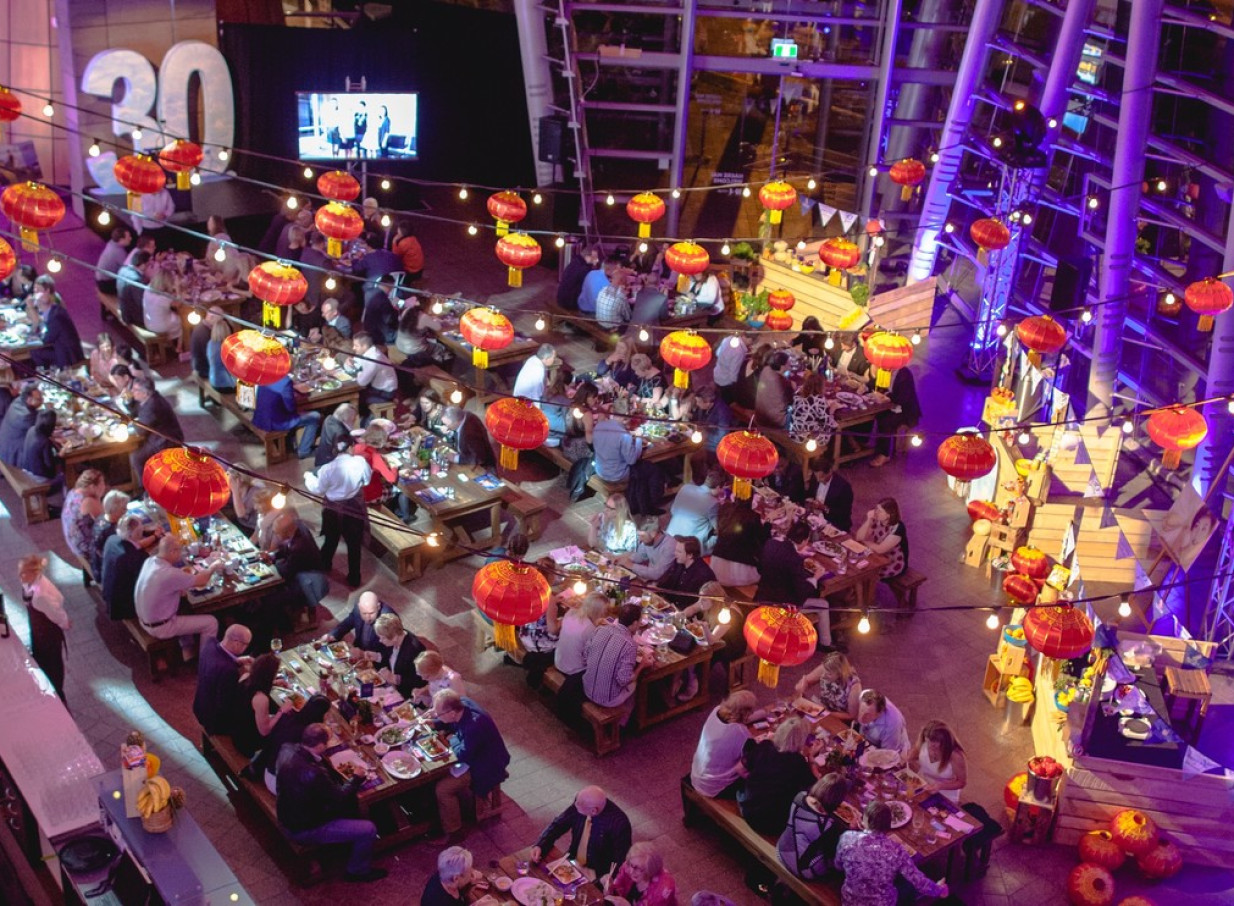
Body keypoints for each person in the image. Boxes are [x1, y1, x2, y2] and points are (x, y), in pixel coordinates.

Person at [275, 723, 386, 882]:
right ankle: (357, 870)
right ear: (320, 745)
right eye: (327, 741)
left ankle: (345, 847)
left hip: (288, 814)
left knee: (353, 809)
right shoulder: (312, 773)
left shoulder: (286, 749)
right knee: (368, 829)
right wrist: (356, 778)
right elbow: (339, 798)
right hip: (302, 829)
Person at [431, 690, 511, 840]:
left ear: (452, 713)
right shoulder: (462, 703)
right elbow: (454, 725)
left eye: (439, 714)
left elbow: (463, 755)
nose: (437, 715)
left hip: (485, 765)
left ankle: (454, 831)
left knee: (443, 789)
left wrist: (451, 738)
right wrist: (435, 723)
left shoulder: (474, 725)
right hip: (477, 757)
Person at [835, 801, 948, 905]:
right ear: (888, 825)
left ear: (866, 821)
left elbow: (838, 865)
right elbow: (918, 881)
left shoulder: (847, 838)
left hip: (850, 901)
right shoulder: (897, 851)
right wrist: (940, 890)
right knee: (908, 887)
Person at [134, 535, 224, 660]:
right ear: (172, 551)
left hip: (144, 619)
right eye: (180, 550)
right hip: (160, 627)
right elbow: (202, 580)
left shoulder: (150, 561)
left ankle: (187, 649)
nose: (181, 554)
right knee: (211, 622)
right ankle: (206, 661)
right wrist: (213, 566)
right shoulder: (170, 574)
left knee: (184, 605)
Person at [532, 786, 632, 882]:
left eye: (578, 806)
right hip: (572, 860)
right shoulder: (580, 804)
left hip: (597, 872)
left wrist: (606, 880)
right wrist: (541, 845)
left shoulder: (619, 824)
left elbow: (621, 859)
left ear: (594, 810)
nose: (575, 807)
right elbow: (559, 824)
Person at [306, 442, 372, 588]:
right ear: (349, 448)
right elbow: (367, 480)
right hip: (353, 507)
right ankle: (354, 577)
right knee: (354, 544)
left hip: (333, 509)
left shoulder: (327, 469)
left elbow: (317, 488)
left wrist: (308, 477)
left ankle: (325, 564)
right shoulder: (360, 462)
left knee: (331, 539)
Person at [739, 717, 817, 835]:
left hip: (749, 809)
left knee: (741, 790)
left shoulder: (765, 746)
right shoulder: (798, 762)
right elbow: (816, 790)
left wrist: (758, 780)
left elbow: (740, 769)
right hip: (773, 824)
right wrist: (811, 760)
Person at [777, 773, 850, 881]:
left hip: (782, 850)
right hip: (801, 869)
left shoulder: (800, 796)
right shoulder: (830, 824)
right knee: (836, 865)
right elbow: (831, 852)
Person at [583, 602, 652, 715]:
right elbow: (623, 680)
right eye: (639, 622)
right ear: (634, 623)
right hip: (608, 699)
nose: (640, 624)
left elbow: (585, 656)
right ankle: (624, 720)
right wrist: (642, 665)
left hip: (586, 687)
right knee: (635, 683)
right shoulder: (630, 645)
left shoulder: (600, 629)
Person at [18, 554, 70, 702]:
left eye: (23, 573)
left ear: (34, 573)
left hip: (48, 637)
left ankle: (58, 699)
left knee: (52, 669)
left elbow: (56, 611)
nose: (20, 576)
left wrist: (65, 622)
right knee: (43, 664)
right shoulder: (30, 584)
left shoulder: (40, 596)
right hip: (38, 632)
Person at [690, 690, 758, 798]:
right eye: (751, 711)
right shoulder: (740, 732)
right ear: (745, 712)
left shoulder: (716, 710)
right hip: (714, 786)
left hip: (698, 775)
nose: (752, 713)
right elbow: (752, 758)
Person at [193, 623, 253, 735]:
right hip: (213, 721)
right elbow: (226, 707)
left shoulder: (210, 644)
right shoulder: (229, 671)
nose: (247, 647)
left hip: (200, 705)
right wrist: (246, 680)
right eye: (246, 644)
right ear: (236, 643)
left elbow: (218, 660)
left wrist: (236, 660)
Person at [233, 652, 294, 755]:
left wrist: (274, 683)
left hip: (236, 726)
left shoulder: (246, 676)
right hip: (247, 741)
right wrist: (282, 710)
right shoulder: (260, 698)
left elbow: (257, 683)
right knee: (289, 728)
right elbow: (265, 731)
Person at [756, 521, 825, 609]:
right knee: (824, 605)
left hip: (762, 597)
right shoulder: (795, 559)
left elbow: (760, 569)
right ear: (805, 540)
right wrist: (816, 577)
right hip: (783, 606)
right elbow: (802, 591)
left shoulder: (770, 544)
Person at [254, 374, 321, 460]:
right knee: (315, 416)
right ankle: (304, 450)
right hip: (276, 422)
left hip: (260, 417)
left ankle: (295, 440)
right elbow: (290, 408)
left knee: (303, 413)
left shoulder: (265, 376)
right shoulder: (285, 381)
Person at [130, 380, 184, 487]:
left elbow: (140, 430)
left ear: (145, 393)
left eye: (135, 390)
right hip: (162, 436)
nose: (132, 392)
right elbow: (137, 411)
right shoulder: (152, 397)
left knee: (136, 457)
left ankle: (145, 488)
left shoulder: (152, 406)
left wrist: (132, 422)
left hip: (166, 442)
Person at [869, 367, 922, 468]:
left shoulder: (904, 374)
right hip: (890, 404)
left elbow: (903, 398)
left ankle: (885, 454)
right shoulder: (884, 370)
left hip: (905, 410)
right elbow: (876, 385)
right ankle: (866, 442)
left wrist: (887, 397)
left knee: (885, 419)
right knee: (875, 413)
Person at [101, 514, 151, 620]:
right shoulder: (136, 557)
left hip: (109, 594)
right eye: (141, 530)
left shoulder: (112, 539)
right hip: (123, 607)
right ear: (135, 533)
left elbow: (135, 545)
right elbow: (145, 583)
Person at [709, 497, 765, 586]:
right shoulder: (753, 516)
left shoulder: (725, 509)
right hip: (740, 574)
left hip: (716, 567)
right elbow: (762, 539)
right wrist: (768, 522)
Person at [322, 591, 396, 657]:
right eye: (364, 613)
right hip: (358, 650)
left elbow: (392, 650)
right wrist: (333, 635)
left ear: (378, 607)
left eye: (371, 613)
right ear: (359, 607)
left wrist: (364, 654)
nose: (368, 618)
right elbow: (348, 623)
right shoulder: (358, 608)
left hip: (376, 659)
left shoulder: (388, 619)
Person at [909, 720, 967, 802]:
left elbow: (962, 782)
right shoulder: (924, 740)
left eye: (936, 741)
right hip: (921, 783)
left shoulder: (955, 755)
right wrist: (908, 757)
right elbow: (915, 753)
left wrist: (940, 786)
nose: (931, 745)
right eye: (929, 740)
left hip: (944, 792)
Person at [666, 470, 723, 553]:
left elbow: (673, 510)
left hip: (670, 536)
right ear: (718, 487)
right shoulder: (713, 503)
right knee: (721, 535)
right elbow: (718, 528)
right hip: (689, 544)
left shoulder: (686, 487)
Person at [554, 591, 608, 678]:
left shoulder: (571, 612)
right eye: (604, 611)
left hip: (558, 661)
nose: (604, 614)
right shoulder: (590, 629)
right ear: (597, 611)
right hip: (572, 670)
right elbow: (592, 655)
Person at [373, 612, 428, 697]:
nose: (380, 640)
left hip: (407, 694)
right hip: (392, 687)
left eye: (382, 637)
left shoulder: (414, 650)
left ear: (394, 637)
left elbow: (420, 680)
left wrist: (395, 679)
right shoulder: (395, 638)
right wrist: (377, 657)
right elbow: (390, 656)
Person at [795, 651, 862, 720]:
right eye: (824, 671)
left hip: (840, 719)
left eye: (829, 674)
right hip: (822, 710)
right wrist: (801, 687)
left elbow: (851, 715)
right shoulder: (826, 668)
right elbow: (807, 680)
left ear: (839, 673)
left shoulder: (854, 686)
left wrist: (826, 713)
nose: (823, 675)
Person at [607, 842, 678, 906]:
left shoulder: (663, 890)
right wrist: (610, 888)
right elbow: (618, 884)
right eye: (630, 864)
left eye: (637, 868)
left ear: (650, 869)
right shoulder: (629, 865)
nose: (631, 871)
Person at [854, 497, 908, 579]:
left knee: (865, 573)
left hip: (893, 562)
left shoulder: (898, 528)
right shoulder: (877, 520)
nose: (876, 512)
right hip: (877, 556)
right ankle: (858, 591)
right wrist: (868, 520)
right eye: (876, 509)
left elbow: (880, 549)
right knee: (857, 566)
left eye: (880, 511)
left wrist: (865, 543)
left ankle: (864, 591)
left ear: (888, 515)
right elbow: (859, 537)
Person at [657, 535, 716, 609]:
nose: (675, 553)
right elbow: (668, 582)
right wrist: (656, 589)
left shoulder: (704, 574)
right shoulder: (678, 562)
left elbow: (702, 603)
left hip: (687, 614)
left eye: (679, 551)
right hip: (670, 606)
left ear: (690, 555)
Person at [30, 290, 85, 368]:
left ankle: (46, 373)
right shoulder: (56, 310)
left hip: (68, 357)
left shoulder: (55, 318)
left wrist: (35, 330)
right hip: (70, 350)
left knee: (34, 352)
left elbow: (46, 340)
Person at [348, 332, 398, 414]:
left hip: (385, 393)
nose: (353, 348)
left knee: (356, 398)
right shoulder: (369, 351)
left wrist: (357, 371)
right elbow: (357, 361)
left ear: (364, 346)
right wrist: (350, 362)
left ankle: (364, 421)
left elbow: (362, 382)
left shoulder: (374, 358)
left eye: (356, 346)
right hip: (377, 388)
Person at [62, 469, 106, 562]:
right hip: (86, 548)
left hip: (73, 543)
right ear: (92, 486)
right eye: (102, 484)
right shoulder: (88, 501)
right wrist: (98, 498)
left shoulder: (73, 492)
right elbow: (106, 523)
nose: (104, 487)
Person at [616, 516, 676, 581]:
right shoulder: (648, 541)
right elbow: (639, 556)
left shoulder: (670, 546)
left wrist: (631, 566)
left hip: (662, 586)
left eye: (642, 536)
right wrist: (626, 560)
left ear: (653, 533)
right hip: (649, 580)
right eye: (638, 535)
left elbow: (657, 574)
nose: (640, 539)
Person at [804, 453, 854, 532]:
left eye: (822, 477)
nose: (818, 480)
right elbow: (810, 494)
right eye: (816, 477)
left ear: (830, 471)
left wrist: (824, 508)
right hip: (814, 518)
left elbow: (844, 514)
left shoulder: (844, 488)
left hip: (833, 523)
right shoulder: (815, 477)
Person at [90, 489, 133, 578]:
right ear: (114, 510)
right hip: (104, 570)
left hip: (96, 561)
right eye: (123, 509)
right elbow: (126, 548)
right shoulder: (110, 531)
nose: (126, 511)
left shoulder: (102, 518)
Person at [856, 689, 911, 757]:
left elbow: (887, 755)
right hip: (869, 743)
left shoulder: (892, 726)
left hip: (892, 750)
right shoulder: (864, 695)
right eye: (861, 710)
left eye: (868, 714)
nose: (861, 717)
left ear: (879, 713)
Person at [790, 371, 838, 448]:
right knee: (833, 426)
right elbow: (825, 422)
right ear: (821, 387)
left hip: (795, 433)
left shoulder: (797, 394)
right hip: (809, 436)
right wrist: (832, 410)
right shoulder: (819, 400)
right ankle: (831, 451)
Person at [394, 297, 442, 366]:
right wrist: (435, 319)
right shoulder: (423, 317)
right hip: (414, 350)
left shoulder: (407, 310)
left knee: (428, 340)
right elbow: (438, 327)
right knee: (439, 348)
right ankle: (435, 367)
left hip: (399, 345)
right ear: (427, 306)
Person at [0, 383, 41, 465]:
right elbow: (41, 430)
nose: (42, 401)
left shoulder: (17, 403)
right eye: (39, 399)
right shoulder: (25, 417)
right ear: (29, 400)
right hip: (14, 457)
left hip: (6, 450)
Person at [20, 409, 61, 489]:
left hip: (27, 470)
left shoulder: (31, 429)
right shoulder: (44, 442)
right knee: (63, 475)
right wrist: (59, 456)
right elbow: (50, 464)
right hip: (39, 477)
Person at [755, 350, 793, 430]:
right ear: (783, 366)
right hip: (776, 422)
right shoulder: (781, 381)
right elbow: (791, 401)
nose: (790, 365)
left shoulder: (765, 370)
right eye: (788, 363)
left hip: (760, 417)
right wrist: (792, 386)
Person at [141, 269, 180, 342]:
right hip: (160, 326)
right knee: (181, 320)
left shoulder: (148, 288)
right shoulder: (165, 297)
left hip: (148, 322)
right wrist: (178, 289)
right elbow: (178, 304)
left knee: (170, 314)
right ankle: (177, 344)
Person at [315, 403, 358, 469]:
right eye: (354, 419)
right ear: (347, 419)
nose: (355, 421)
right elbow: (345, 454)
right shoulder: (341, 434)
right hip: (329, 467)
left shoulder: (329, 419)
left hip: (320, 461)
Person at [116, 250, 151, 327]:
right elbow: (141, 303)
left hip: (124, 306)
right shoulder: (136, 280)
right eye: (149, 265)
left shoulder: (123, 269)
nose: (150, 268)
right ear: (143, 265)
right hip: (131, 315)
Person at [558, 245, 598, 311]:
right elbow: (589, 288)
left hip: (562, 298)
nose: (597, 260)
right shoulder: (584, 269)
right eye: (595, 257)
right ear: (587, 257)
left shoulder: (575, 262)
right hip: (570, 302)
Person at [96, 226, 133, 294]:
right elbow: (128, 269)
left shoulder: (111, 243)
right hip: (106, 284)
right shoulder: (118, 252)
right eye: (128, 237)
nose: (131, 238)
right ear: (121, 240)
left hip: (100, 280)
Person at [204, 316, 237, 393]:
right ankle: (246, 404)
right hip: (224, 385)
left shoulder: (210, 343)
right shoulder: (226, 348)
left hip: (213, 380)